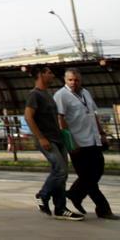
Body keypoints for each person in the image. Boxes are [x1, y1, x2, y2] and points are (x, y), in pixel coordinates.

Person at [55, 68, 117, 220]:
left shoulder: (86, 93)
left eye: (76, 80)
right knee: (87, 176)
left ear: (80, 80)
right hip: (78, 143)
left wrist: (102, 133)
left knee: (97, 172)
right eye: (70, 80)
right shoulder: (61, 95)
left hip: (93, 139)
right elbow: (60, 120)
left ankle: (74, 194)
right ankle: (103, 209)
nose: (74, 83)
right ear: (65, 80)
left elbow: (93, 115)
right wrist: (71, 141)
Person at [24, 66, 82, 221]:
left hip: (58, 138)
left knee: (62, 175)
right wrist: (41, 138)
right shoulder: (34, 95)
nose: (52, 75)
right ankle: (42, 195)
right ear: (40, 75)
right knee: (60, 170)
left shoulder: (48, 95)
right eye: (49, 73)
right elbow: (28, 117)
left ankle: (60, 208)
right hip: (46, 139)